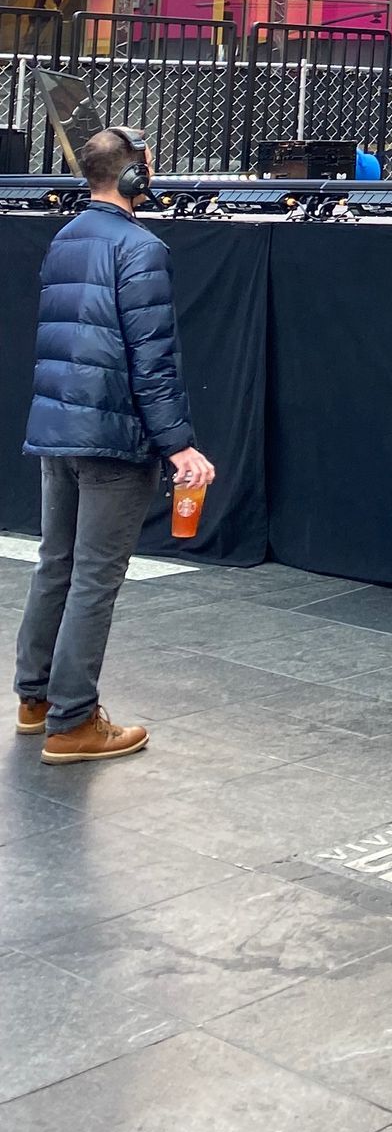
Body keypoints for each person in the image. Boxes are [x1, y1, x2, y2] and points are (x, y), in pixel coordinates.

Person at [14, 129, 215, 764]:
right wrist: (179, 446)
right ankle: (73, 722)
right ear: (135, 177)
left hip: (60, 430)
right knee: (95, 578)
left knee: (56, 564)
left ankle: (35, 699)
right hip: (113, 439)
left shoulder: (66, 238)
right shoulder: (142, 248)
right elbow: (151, 360)